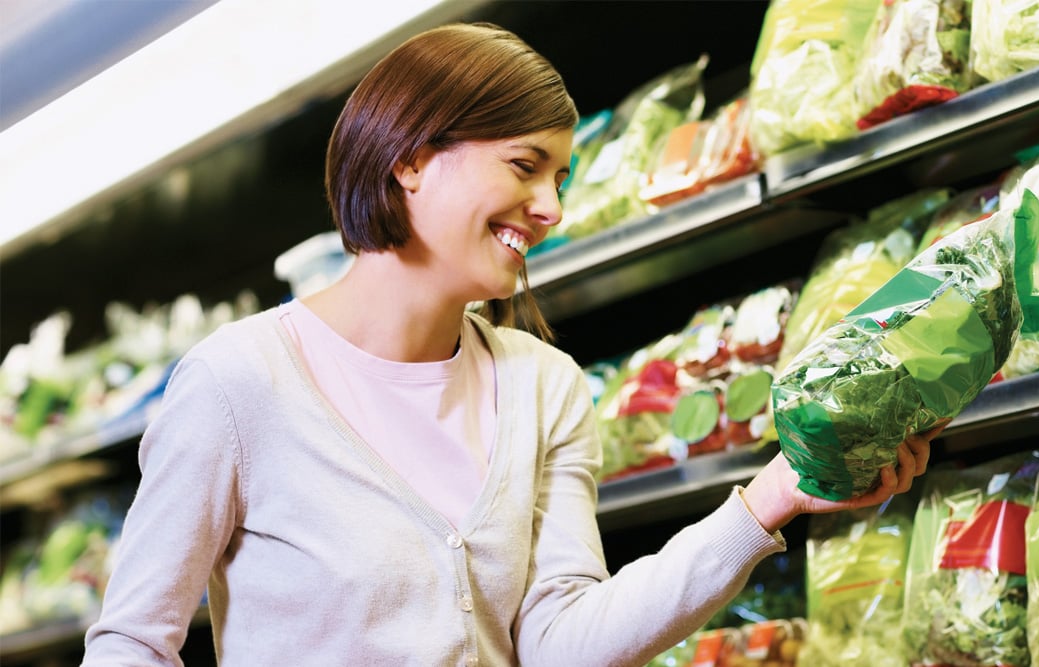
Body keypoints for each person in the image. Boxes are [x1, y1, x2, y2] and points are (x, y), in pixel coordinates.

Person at [82, 22, 935, 667]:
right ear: (412, 160)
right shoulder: (239, 382)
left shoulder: (544, 386)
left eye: (560, 177)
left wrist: (769, 502)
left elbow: (564, 639)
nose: (552, 207)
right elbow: (131, 643)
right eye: (526, 166)